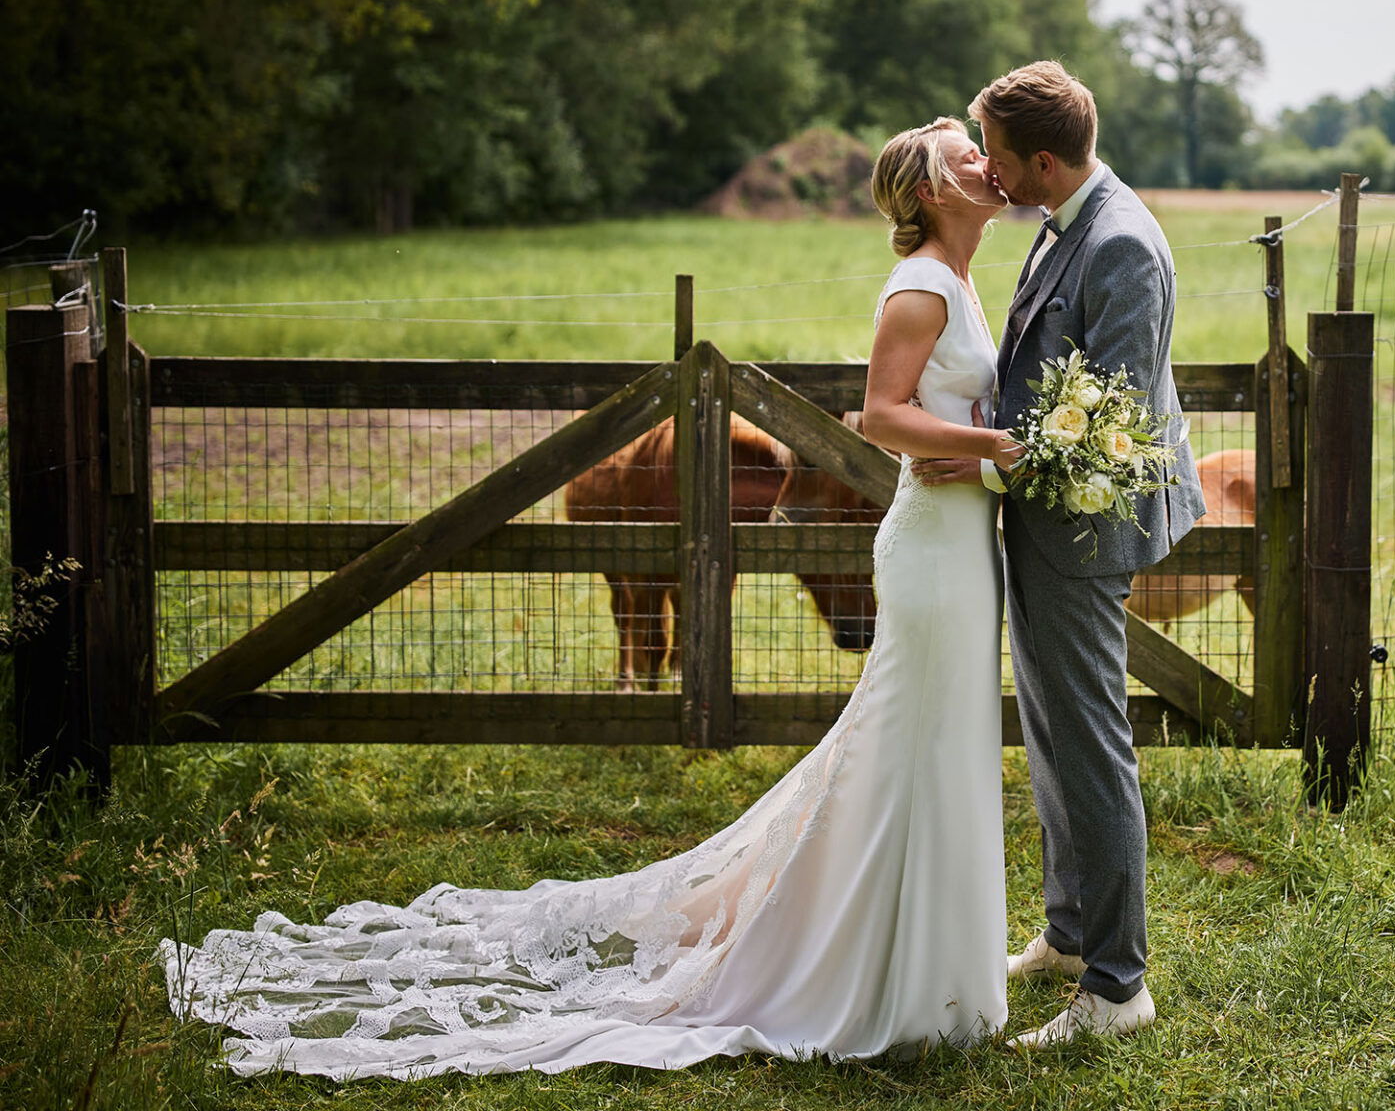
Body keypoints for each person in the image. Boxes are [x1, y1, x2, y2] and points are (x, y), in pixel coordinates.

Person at [158, 116, 1020, 1079]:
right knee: (909, 741)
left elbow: (948, 410)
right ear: (930, 194)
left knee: (936, 742)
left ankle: (930, 960)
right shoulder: (919, 288)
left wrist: (985, 446)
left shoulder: (967, 276)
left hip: (961, 542)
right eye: (964, 157)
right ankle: (858, 964)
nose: (985, 165)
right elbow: (879, 415)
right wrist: (1001, 451)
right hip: (931, 549)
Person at [915, 61, 1205, 1048]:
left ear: (1043, 159)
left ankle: (1119, 990)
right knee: (1049, 733)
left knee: (1090, 749)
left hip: (1083, 526)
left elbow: (1108, 428)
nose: (985, 170)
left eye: (995, 155)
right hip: (1044, 520)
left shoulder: (1120, 244)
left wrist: (992, 470)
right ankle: (1072, 935)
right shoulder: (1063, 216)